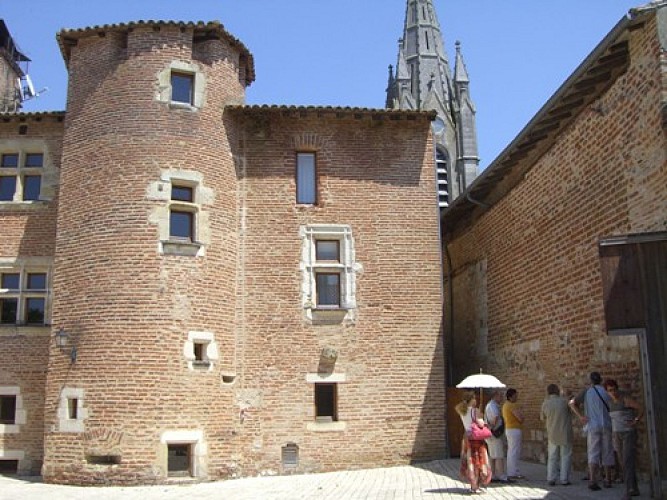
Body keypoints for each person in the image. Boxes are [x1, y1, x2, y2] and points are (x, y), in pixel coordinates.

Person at [569, 371, 614, 491]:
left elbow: (572, 403)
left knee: (593, 452)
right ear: (600, 380)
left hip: (592, 425)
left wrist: (581, 417)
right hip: (606, 424)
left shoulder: (587, 391)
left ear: (591, 381)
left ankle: (593, 480)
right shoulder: (606, 391)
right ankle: (608, 480)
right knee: (607, 451)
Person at [604, 379, 642, 499]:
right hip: (617, 434)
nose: (613, 392)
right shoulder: (610, 402)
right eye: (610, 390)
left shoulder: (624, 399)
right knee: (623, 462)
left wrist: (635, 420)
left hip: (628, 433)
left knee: (627, 461)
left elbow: (640, 407)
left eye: (614, 389)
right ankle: (634, 488)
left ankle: (628, 491)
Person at [455, 391, 492, 494]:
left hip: (467, 438)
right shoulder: (474, 411)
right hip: (476, 439)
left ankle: (473, 485)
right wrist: (481, 415)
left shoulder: (463, 411)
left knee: (470, 462)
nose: (475, 400)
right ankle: (476, 486)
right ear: (471, 400)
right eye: (474, 398)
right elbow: (481, 424)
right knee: (478, 462)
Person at [540, 384, 573, 486]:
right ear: (558, 391)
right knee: (565, 456)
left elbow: (542, 418)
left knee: (552, 457)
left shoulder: (545, 403)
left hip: (552, 433)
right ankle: (564, 479)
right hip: (565, 432)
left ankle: (551, 478)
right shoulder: (564, 402)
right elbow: (572, 411)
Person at [484, 389, 511, 483]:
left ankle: (493, 475)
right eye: (500, 396)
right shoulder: (493, 405)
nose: (501, 398)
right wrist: (493, 427)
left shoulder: (490, 405)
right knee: (499, 455)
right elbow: (495, 418)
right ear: (495, 396)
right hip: (495, 434)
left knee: (493, 455)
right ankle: (501, 476)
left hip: (491, 433)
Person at [502, 388, 524, 479]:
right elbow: (520, 418)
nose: (517, 397)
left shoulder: (505, 405)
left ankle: (511, 470)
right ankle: (513, 471)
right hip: (514, 429)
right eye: (515, 395)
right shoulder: (511, 406)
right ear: (510, 397)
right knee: (514, 451)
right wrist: (522, 415)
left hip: (509, 429)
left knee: (511, 450)